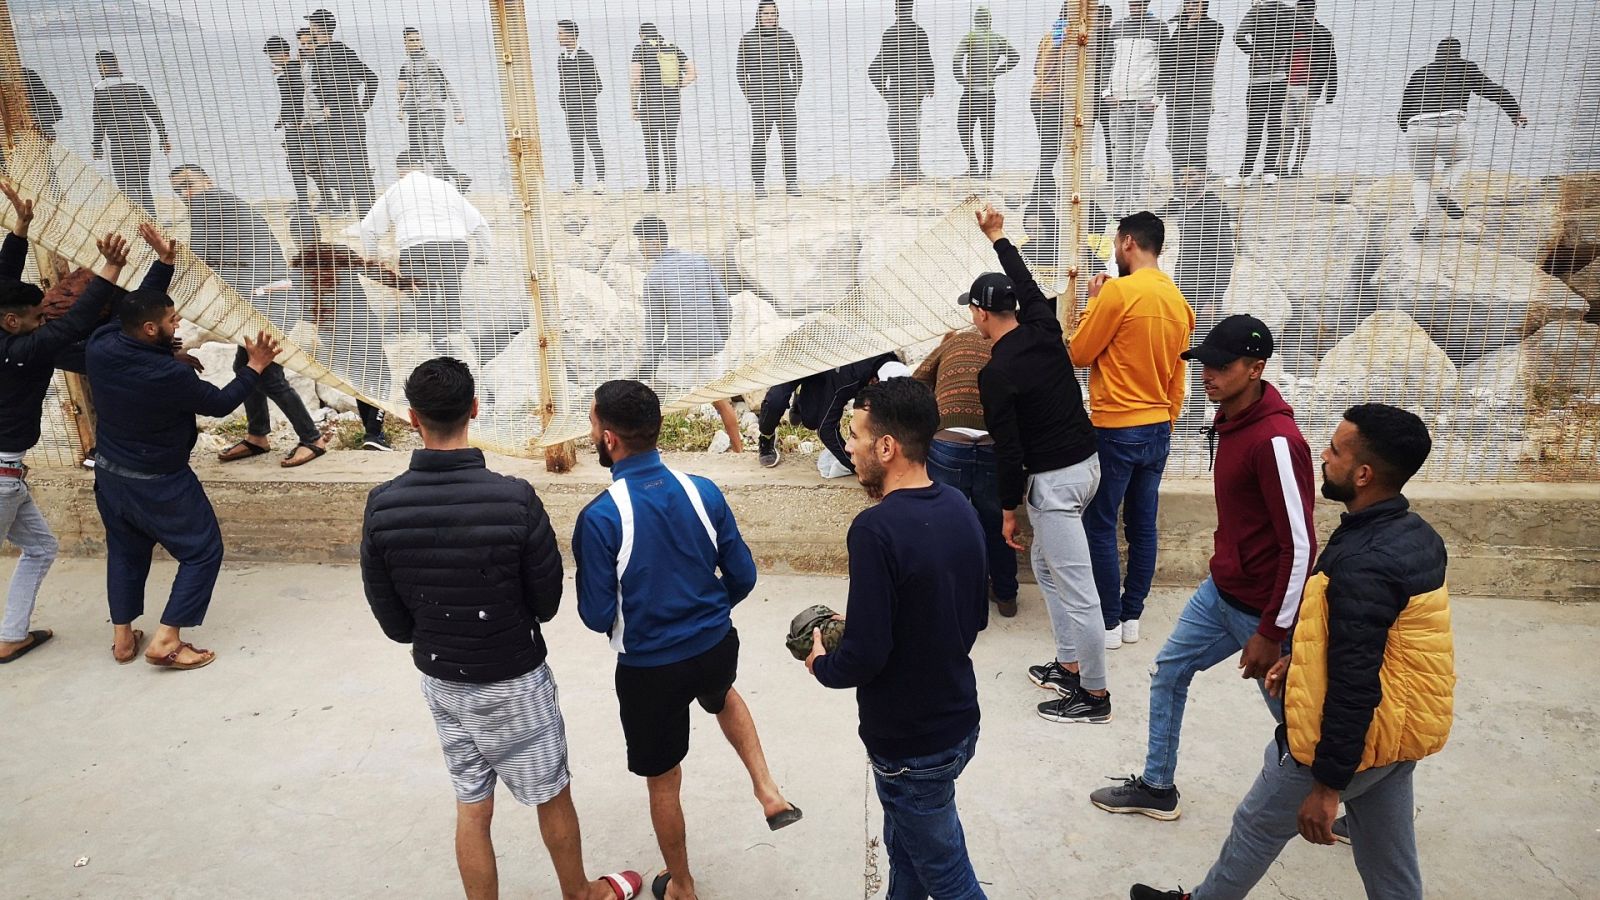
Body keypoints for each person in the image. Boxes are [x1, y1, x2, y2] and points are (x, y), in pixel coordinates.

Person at [1132, 404, 1450, 900]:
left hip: (1349, 740)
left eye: (1336, 450)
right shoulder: (1415, 536)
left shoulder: (1364, 563)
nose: (1322, 456)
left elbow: (1355, 682)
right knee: (1391, 868)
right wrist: (1300, 658)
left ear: (1363, 474)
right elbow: (1384, 645)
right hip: (1397, 735)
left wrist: (1326, 786)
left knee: (1256, 826)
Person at [360, 358, 644, 900]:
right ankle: (581, 893)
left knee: (472, 802)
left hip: (443, 680)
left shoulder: (383, 505)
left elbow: (394, 622)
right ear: (474, 409)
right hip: (515, 677)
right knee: (551, 792)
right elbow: (546, 601)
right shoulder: (514, 498)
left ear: (412, 418)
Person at [574, 380, 801, 900]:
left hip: (650, 669)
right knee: (722, 693)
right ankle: (767, 789)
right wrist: (707, 612)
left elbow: (595, 614)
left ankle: (681, 884)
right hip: (716, 645)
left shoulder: (601, 516)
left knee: (664, 781)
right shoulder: (703, 489)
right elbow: (742, 575)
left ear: (609, 439)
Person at [1090, 315, 1314, 821]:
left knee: (1301, 720)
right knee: (1169, 670)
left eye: (1221, 366)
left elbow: (1299, 547)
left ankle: (1350, 801)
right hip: (1221, 591)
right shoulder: (1230, 420)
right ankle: (1157, 786)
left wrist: (1272, 631)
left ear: (1256, 368)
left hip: (1265, 611)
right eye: (1204, 364)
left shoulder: (1276, 441)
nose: (1207, 374)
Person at [805, 377, 989, 900]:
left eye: (857, 436)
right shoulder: (959, 507)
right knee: (906, 849)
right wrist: (873, 614)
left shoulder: (874, 530)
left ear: (886, 447)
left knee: (950, 879)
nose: (849, 446)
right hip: (958, 722)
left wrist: (823, 663)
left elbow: (862, 658)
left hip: (911, 744)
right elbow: (969, 615)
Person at [86, 275, 281, 670]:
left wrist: (165, 264)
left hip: (109, 474)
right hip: (161, 481)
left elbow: (134, 308)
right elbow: (222, 402)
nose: (178, 325)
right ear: (150, 329)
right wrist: (256, 366)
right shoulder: (170, 377)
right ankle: (167, 640)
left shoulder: (101, 344)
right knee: (202, 551)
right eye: (172, 320)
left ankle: (123, 639)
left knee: (125, 551)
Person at [964, 204, 1108, 724]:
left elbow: (1010, 449)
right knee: (1047, 568)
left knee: (1078, 590)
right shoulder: (1045, 327)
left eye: (973, 310)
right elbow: (1024, 280)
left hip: (1057, 484)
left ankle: (1093, 695)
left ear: (981, 314)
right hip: (1087, 467)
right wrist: (998, 237)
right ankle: (1069, 662)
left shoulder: (997, 373)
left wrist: (1006, 511)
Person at [0, 191, 157, 663]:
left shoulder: (6, 331)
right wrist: (110, 269)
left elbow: (2, 279)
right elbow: (77, 324)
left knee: (42, 548)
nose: (43, 319)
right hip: (2, 477)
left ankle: (12, 634)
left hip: (10, 475)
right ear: (12, 322)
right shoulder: (23, 351)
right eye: (36, 318)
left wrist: (20, 230)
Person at [1068, 212, 1195, 649]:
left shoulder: (1118, 292)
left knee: (1100, 522)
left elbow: (1080, 354)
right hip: (1159, 426)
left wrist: (1091, 302)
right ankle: (1133, 615)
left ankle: (1107, 622)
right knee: (1143, 525)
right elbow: (1179, 379)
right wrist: (1168, 420)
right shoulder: (1180, 302)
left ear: (1126, 243)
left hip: (1117, 426)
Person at [170, 164, 329, 468]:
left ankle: (312, 438)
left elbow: (201, 255)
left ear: (207, 180)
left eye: (188, 184)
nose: (185, 193)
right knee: (244, 365)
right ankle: (258, 436)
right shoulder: (221, 201)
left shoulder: (209, 201)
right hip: (267, 297)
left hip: (268, 299)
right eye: (178, 190)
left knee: (267, 373)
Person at [913, 329, 1018, 617]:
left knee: (948, 522)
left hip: (949, 440)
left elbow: (917, 379)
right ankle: (1007, 595)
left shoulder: (953, 340)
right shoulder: (1008, 343)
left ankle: (956, 599)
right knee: (996, 520)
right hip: (993, 440)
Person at [287, 206, 408, 450]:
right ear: (318, 231)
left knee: (358, 380)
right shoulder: (337, 251)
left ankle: (371, 432)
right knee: (378, 376)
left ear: (294, 237)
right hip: (360, 324)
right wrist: (404, 283)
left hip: (330, 330)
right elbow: (371, 271)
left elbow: (301, 304)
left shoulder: (297, 263)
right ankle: (374, 434)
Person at [632, 216, 743, 455]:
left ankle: (645, 454)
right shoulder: (700, 262)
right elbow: (724, 305)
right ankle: (739, 451)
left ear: (653, 241)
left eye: (641, 242)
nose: (640, 248)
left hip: (679, 354)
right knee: (722, 401)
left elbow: (655, 329)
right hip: (710, 348)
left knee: (656, 403)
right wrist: (719, 337)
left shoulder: (653, 279)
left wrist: (648, 364)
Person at [1398, 37, 1527, 240]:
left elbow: (1404, 110)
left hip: (1417, 126)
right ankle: (1446, 191)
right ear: (1458, 53)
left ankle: (1422, 221)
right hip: (1451, 126)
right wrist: (1515, 113)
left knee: (1422, 177)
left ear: (1436, 54)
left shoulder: (1420, 73)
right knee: (1459, 159)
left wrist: (1412, 132)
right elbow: (1493, 91)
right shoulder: (1466, 67)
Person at [360, 152, 491, 343]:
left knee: (422, 293)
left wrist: (372, 256)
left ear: (399, 170)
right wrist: (483, 255)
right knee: (451, 287)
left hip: (416, 249)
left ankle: (435, 334)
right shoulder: (445, 186)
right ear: (422, 167)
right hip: (455, 246)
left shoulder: (395, 190)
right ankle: (454, 328)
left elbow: (367, 227)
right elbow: (480, 224)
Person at [756, 353, 903, 475]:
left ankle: (801, 398)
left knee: (811, 419)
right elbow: (826, 429)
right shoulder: (850, 378)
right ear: (874, 381)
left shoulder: (894, 367)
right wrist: (856, 467)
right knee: (776, 401)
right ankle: (766, 437)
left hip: (827, 363)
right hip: (798, 351)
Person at [1031, 4, 1111, 195]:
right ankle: (1039, 190)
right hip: (1054, 100)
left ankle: (1046, 187)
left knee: (1048, 146)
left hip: (1037, 96)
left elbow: (1035, 69)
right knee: (1051, 149)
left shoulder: (1048, 36)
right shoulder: (1072, 40)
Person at [306, 8, 378, 217]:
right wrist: (364, 104)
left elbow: (321, 86)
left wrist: (329, 105)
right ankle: (368, 214)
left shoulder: (320, 54)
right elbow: (371, 78)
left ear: (317, 28)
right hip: (354, 115)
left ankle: (353, 212)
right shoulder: (344, 50)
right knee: (359, 165)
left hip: (338, 119)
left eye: (312, 25)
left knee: (342, 167)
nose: (311, 29)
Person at [1103, 0, 1168, 217]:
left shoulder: (1159, 27)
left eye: (1139, 3)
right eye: (1132, 3)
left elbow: (1167, 63)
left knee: (1135, 155)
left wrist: (1157, 98)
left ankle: (1131, 205)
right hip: (1118, 101)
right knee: (1120, 155)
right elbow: (1108, 60)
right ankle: (1118, 203)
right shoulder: (1117, 27)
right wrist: (1106, 93)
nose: (1135, 6)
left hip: (1143, 101)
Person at [90, 50, 170, 217]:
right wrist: (163, 138)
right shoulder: (135, 84)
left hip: (121, 143)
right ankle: (152, 221)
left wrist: (97, 146)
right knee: (142, 183)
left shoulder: (101, 88)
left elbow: (99, 121)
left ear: (103, 67)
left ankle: (140, 220)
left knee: (124, 183)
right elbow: (154, 111)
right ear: (117, 64)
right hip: (142, 141)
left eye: (99, 66)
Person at [736, 0, 803, 198]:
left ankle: (791, 183)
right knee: (759, 143)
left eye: (773, 14)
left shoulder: (786, 36)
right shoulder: (747, 39)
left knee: (789, 143)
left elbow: (798, 67)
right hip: (761, 102)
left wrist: (793, 92)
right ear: (759, 15)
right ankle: (759, 185)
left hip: (785, 101)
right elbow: (741, 72)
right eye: (765, 14)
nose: (769, 17)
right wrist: (751, 97)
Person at [1227, 0, 1295, 187]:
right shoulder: (1289, 12)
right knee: (1274, 124)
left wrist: (1254, 52)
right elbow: (1304, 36)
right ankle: (1269, 171)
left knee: (1255, 128)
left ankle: (1245, 174)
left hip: (1259, 79)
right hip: (1280, 78)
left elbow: (1238, 36)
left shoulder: (1256, 11)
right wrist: (1286, 53)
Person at [868, 0, 934, 184]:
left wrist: (885, 91)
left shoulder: (895, 33)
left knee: (900, 127)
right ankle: (908, 168)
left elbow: (875, 69)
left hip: (904, 90)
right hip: (908, 90)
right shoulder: (913, 32)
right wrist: (930, 83)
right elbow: (927, 61)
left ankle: (905, 167)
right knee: (907, 127)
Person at [398, 27, 470, 191]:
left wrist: (458, 111)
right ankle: (456, 179)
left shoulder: (430, 61)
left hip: (433, 112)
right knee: (420, 151)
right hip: (417, 113)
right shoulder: (408, 65)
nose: (416, 43)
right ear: (405, 43)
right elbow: (412, 90)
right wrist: (402, 109)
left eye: (418, 40)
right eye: (411, 41)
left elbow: (447, 85)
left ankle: (445, 185)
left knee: (433, 151)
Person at [951, 6, 1018, 178]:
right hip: (988, 93)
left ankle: (973, 165)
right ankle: (986, 170)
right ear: (989, 20)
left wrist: (961, 80)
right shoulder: (997, 38)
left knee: (963, 128)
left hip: (971, 92)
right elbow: (1015, 56)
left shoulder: (970, 37)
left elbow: (956, 60)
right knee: (987, 133)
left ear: (975, 20)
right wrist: (997, 70)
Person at [1160, 0, 1223, 183]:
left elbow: (1200, 52)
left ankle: (1200, 181)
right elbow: (1167, 58)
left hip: (1200, 95)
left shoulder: (1215, 27)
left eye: (1196, 3)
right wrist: (1186, 27)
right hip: (1176, 95)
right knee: (1175, 142)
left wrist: (1190, 28)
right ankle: (1179, 184)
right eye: (1188, 3)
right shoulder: (1179, 28)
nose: (1191, 7)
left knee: (1196, 140)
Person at [630, 23, 696, 194]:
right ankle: (671, 185)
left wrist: (633, 106)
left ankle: (653, 183)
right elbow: (693, 73)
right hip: (672, 104)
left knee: (651, 144)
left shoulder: (640, 49)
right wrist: (678, 84)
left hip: (650, 104)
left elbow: (636, 80)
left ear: (641, 35)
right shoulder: (672, 47)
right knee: (669, 144)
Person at [1276, 0, 1338, 178]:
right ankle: (1282, 165)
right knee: (1286, 127)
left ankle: (1297, 166)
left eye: (1301, 10)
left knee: (1304, 128)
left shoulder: (1323, 33)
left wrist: (1329, 92)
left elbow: (1331, 64)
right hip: (1289, 86)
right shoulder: (1291, 31)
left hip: (1309, 87)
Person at [1170, 169, 1235, 317]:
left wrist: (1214, 299)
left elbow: (1225, 256)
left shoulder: (1213, 208)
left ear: (1204, 175)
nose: (1184, 181)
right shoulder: (1183, 207)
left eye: (1191, 175)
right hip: (1183, 288)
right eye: (1181, 176)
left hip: (1204, 293)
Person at [264, 36, 317, 204]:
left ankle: (309, 200)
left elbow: (300, 97)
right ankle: (303, 199)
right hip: (291, 122)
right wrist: (281, 116)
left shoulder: (292, 72)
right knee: (295, 163)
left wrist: (302, 120)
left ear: (280, 53)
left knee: (303, 163)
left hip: (299, 123)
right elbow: (288, 99)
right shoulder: (289, 70)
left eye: (272, 56)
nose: (271, 60)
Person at [557, 20, 606, 194]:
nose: (558, 37)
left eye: (561, 33)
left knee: (593, 142)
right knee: (576, 144)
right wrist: (563, 100)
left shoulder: (585, 57)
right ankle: (578, 181)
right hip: (570, 111)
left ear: (571, 35)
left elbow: (598, 85)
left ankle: (601, 181)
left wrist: (582, 99)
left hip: (586, 109)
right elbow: (562, 83)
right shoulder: (561, 58)